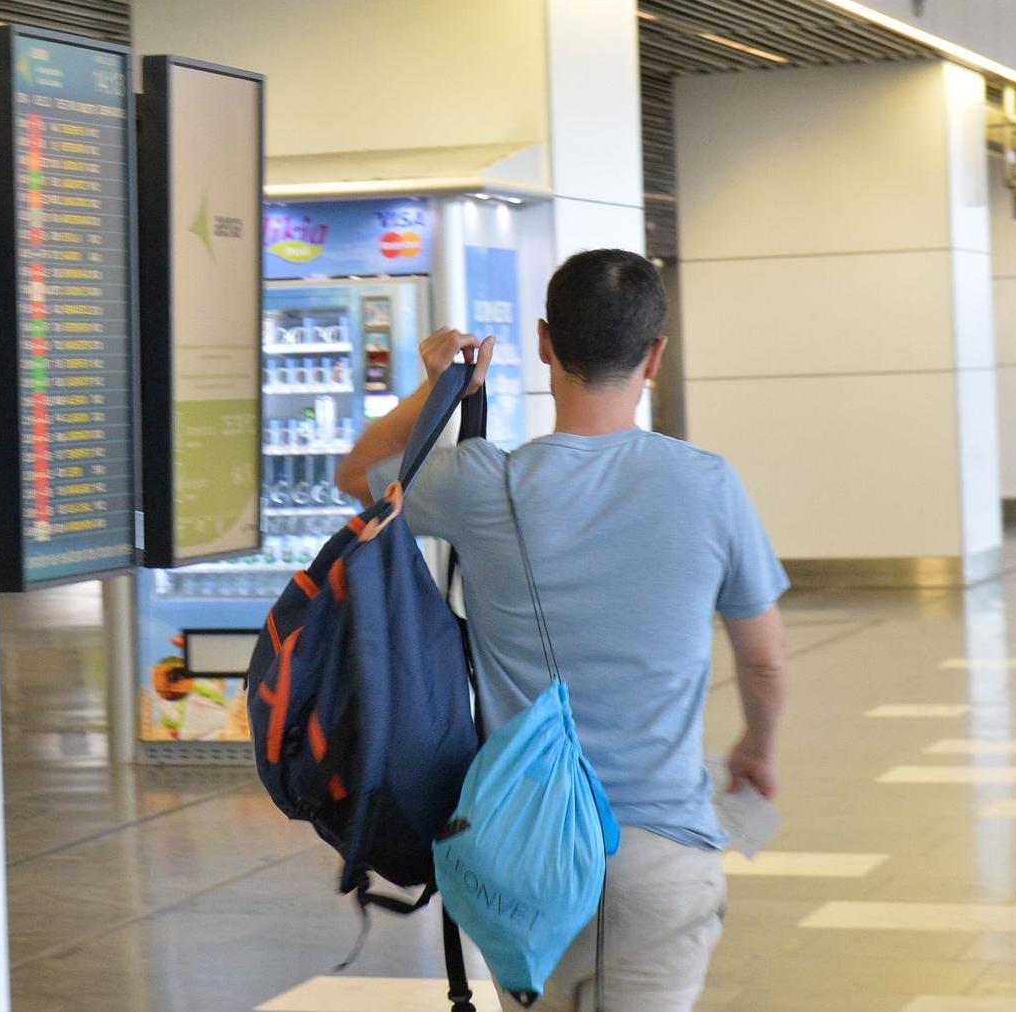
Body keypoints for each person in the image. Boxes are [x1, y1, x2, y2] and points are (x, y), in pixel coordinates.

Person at [334, 248, 788, 1012]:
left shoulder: (483, 482)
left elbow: (358, 474)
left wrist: (438, 386)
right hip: (659, 853)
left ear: (544, 342)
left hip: (522, 856)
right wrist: (755, 748)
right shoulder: (709, 484)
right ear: (656, 354)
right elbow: (766, 663)